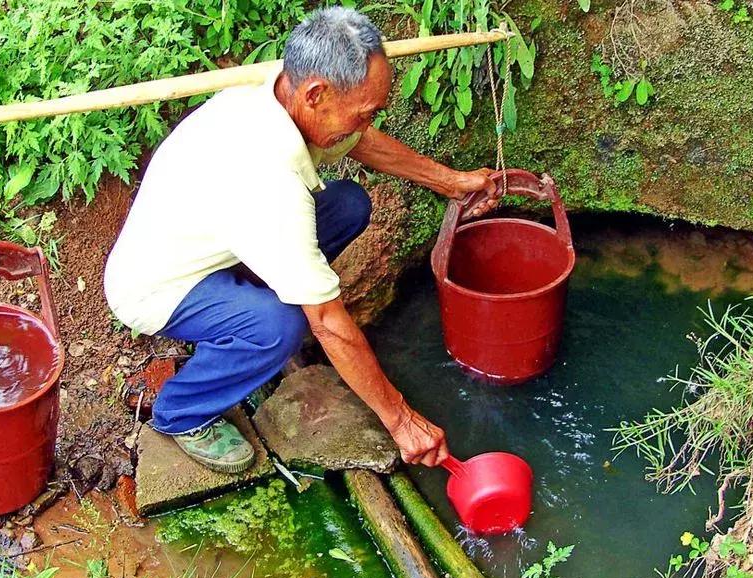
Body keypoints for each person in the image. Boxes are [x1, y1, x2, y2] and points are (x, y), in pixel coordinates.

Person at [104, 6, 500, 474]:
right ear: (316, 94)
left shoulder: (283, 87)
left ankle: (246, 310)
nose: (365, 123)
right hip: (156, 287)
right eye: (364, 112)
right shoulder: (269, 184)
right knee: (281, 327)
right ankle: (182, 414)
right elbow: (328, 322)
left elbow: (361, 141)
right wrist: (401, 420)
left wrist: (450, 182)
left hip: (213, 241)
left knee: (349, 203)